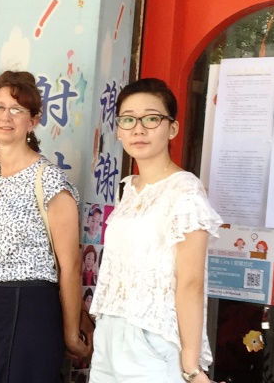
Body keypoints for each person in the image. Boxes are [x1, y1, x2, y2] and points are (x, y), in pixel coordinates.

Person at [90, 78, 222, 383]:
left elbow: (191, 282)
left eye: (151, 118)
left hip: (152, 337)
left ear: (171, 128)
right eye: (128, 119)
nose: (138, 129)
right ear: (119, 129)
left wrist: (191, 367)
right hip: (109, 333)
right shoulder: (130, 189)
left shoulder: (185, 192)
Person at [0, 70, 90, 383]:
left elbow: (70, 265)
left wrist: (71, 331)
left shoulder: (48, 180)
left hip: (30, 307)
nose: (5, 117)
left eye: (17, 110)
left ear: (33, 120)